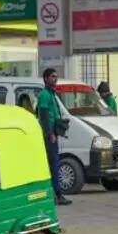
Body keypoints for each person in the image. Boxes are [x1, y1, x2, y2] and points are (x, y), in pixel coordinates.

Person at [37, 68, 72, 206]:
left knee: (53, 164)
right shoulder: (44, 95)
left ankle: (54, 194)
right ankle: (58, 195)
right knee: (53, 165)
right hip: (49, 136)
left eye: (56, 76)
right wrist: (50, 133)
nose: (55, 79)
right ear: (46, 79)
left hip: (53, 134)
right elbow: (44, 116)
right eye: (52, 76)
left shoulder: (51, 94)